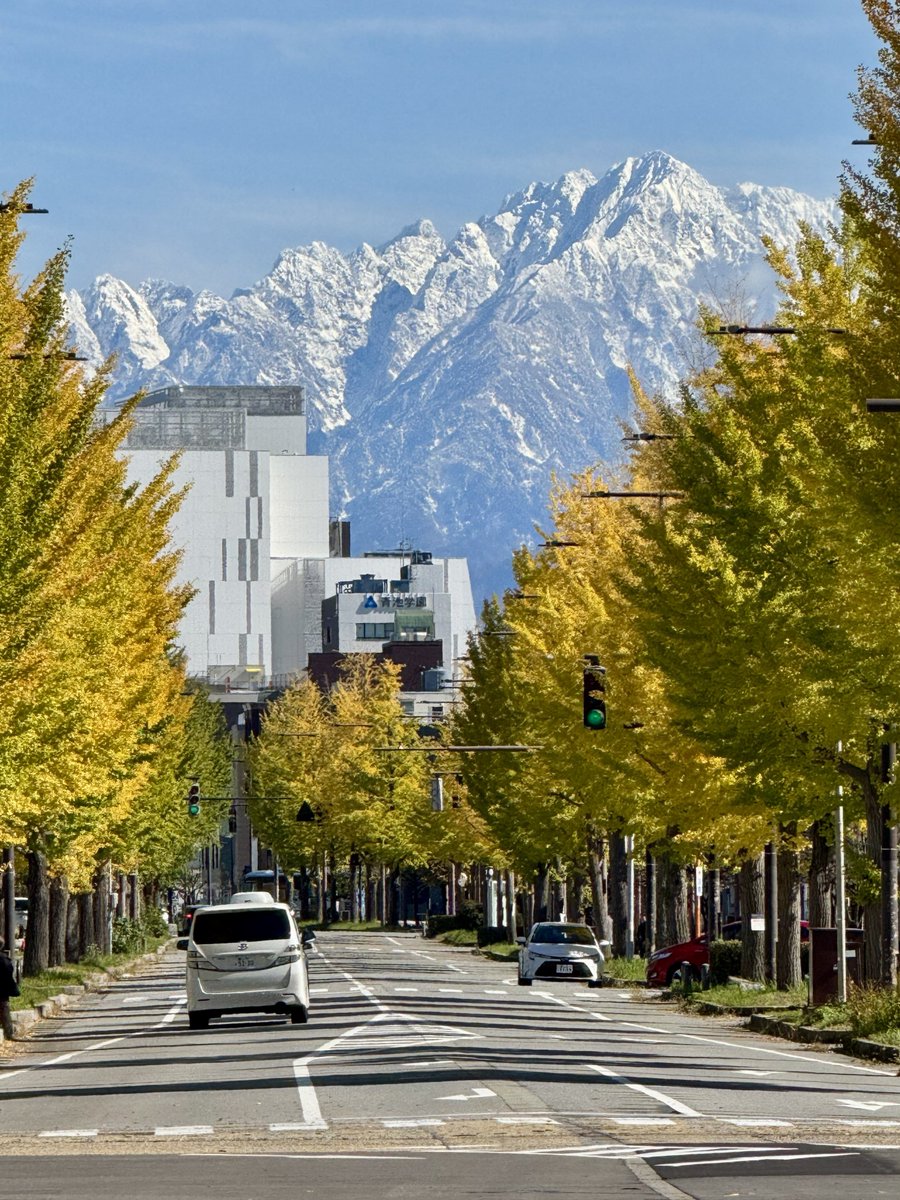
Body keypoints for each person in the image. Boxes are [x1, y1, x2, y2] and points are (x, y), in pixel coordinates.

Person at [0, 937, 19, 1041]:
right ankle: (9, 1032)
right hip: (2, 989)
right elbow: (9, 973)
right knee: (5, 1010)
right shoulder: (4, 959)